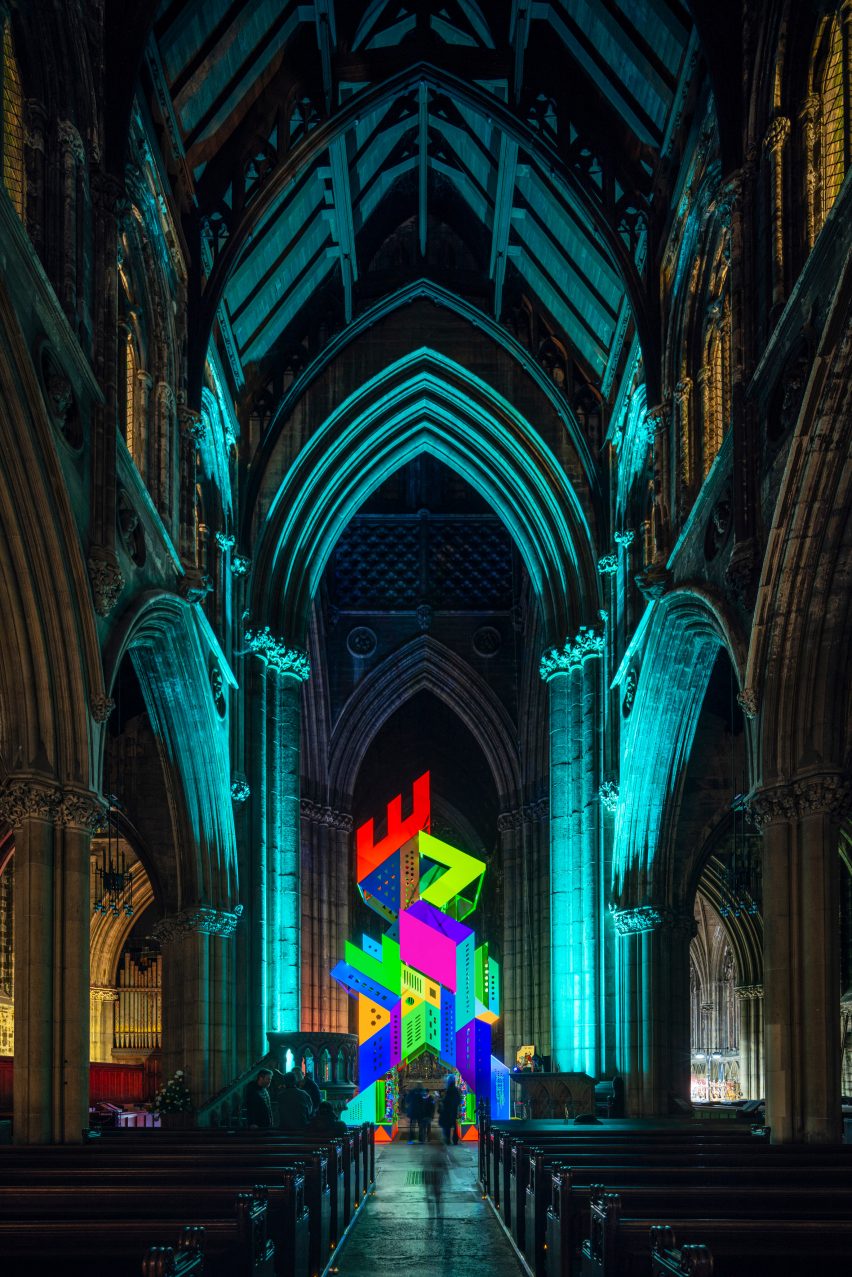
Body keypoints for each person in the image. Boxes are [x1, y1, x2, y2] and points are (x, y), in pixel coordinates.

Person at [439, 1077, 461, 1145]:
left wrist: (442, 1101)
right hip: (454, 1111)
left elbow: (446, 1101)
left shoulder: (448, 1090)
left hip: (448, 1112)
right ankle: (455, 1140)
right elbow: (458, 1100)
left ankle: (448, 1140)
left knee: (447, 1127)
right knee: (455, 1127)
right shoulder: (456, 1090)